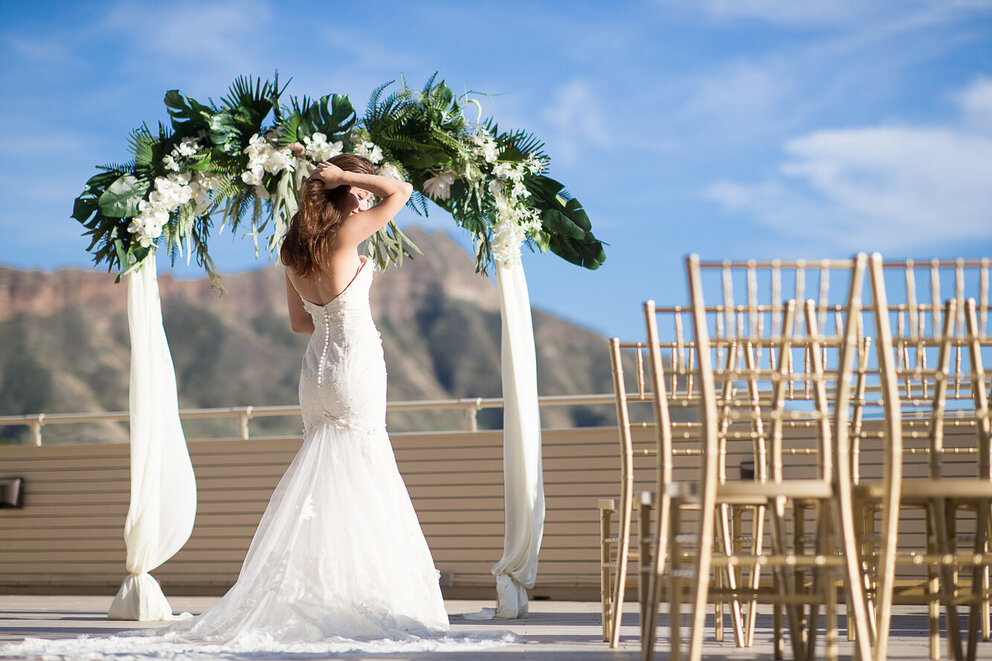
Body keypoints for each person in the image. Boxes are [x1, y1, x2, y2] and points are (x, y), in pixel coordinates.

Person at [0, 154, 508, 659]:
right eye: (358, 190)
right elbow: (402, 192)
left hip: (316, 373)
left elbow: (300, 323)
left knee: (329, 471)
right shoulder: (345, 234)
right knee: (365, 469)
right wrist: (344, 177)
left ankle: (331, 590)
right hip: (353, 364)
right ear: (340, 190)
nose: (365, 197)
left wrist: (331, 297)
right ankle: (363, 593)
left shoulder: (295, 248)